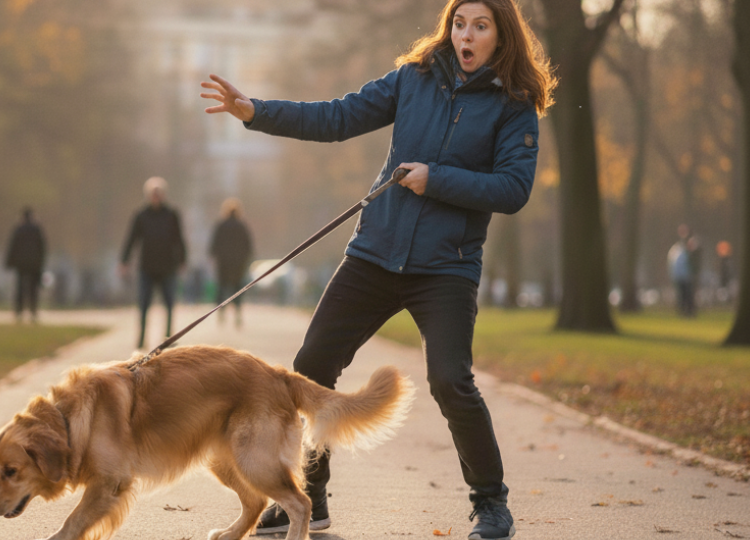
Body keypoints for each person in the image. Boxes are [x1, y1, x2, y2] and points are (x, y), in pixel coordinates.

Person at [201, 1, 555, 538]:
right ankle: (311, 500)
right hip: (374, 253)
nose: (467, 34)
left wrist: (436, 178)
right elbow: (339, 116)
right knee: (311, 366)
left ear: (501, 36)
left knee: (450, 380)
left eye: (480, 26)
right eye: (460, 23)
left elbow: (513, 189)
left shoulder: (514, 104)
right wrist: (257, 112)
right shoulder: (415, 78)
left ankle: (491, 504)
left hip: (446, 267)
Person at [119, 176, 188, 349]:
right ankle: (142, 338)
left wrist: (182, 260)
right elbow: (131, 239)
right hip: (147, 268)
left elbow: (179, 239)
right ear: (148, 195)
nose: (156, 196)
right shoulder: (141, 216)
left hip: (167, 267)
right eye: (153, 193)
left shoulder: (172, 215)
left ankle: (168, 339)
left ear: (163, 195)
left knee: (169, 304)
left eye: (159, 193)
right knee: (143, 304)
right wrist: (124, 261)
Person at [209, 198, 254, 327]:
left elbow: (214, 245)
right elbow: (248, 246)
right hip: (238, 264)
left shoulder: (221, 225)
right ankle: (237, 313)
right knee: (237, 289)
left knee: (222, 288)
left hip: (224, 263)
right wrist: (245, 260)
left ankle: (221, 312)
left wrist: (216, 256)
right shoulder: (242, 226)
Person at [4, 207, 47, 323]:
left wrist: (9, 262)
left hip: (21, 264)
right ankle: (33, 311)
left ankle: (19, 311)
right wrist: (41, 262)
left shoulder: (19, 229)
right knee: (33, 288)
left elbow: (13, 247)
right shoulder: (37, 229)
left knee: (20, 288)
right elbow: (42, 247)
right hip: (34, 263)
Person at [667, 224, 699, 317]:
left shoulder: (689, 245)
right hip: (680, 276)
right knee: (682, 295)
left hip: (687, 276)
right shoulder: (678, 247)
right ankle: (683, 311)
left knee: (688, 295)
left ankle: (689, 311)